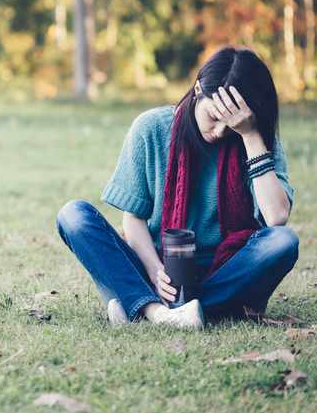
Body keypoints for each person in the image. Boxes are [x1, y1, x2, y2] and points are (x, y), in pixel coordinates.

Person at [56, 47, 298, 329]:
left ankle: (144, 308)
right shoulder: (151, 128)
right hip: (156, 270)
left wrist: (251, 136)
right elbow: (133, 219)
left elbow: (276, 218)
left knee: (284, 241)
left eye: (232, 122)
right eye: (214, 116)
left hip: (227, 274)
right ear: (198, 90)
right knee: (72, 215)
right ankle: (161, 310)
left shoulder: (258, 141)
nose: (220, 131)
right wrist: (156, 271)